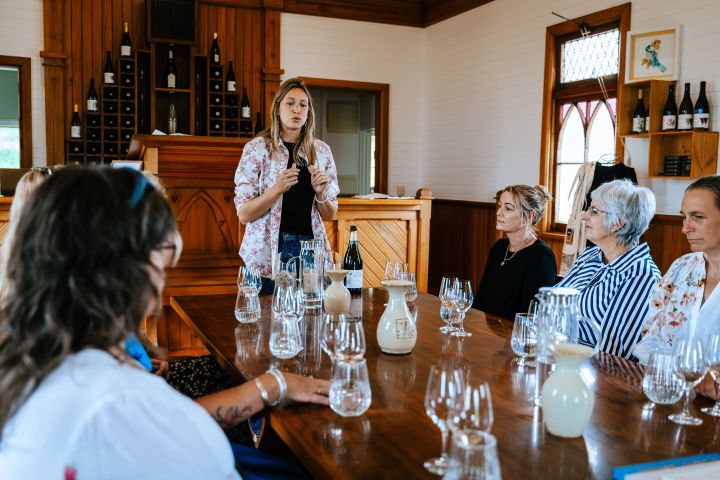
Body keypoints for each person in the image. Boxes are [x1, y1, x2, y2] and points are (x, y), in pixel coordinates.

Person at [0, 167, 329, 478]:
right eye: (160, 259)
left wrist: (273, 384)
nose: (160, 281)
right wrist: (274, 385)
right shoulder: (114, 400)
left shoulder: (34, 355)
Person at [234, 77, 339, 290]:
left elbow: (330, 214)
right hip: (266, 252)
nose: (296, 110)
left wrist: (321, 194)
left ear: (308, 112)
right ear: (278, 108)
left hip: (310, 249)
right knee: (264, 320)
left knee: (311, 319)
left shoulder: (321, 152)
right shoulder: (256, 149)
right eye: (290, 103)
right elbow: (244, 214)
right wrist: (277, 189)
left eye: (303, 105)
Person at [633, 176, 720, 400]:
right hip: (669, 396)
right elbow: (650, 337)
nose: (685, 228)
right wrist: (662, 379)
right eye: (684, 217)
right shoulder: (682, 268)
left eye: (698, 217)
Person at [556, 179, 660, 359]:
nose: (584, 215)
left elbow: (614, 355)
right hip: (558, 356)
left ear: (617, 223)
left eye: (594, 211)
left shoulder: (640, 276)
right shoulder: (591, 255)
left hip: (593, 374)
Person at [472, 185, 557, 319]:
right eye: (500, 205)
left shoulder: (541, 257)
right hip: (487, 330)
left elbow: (530, 316)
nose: (499, 212)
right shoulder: (499, 247)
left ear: (530, 215)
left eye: (508, 208)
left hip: (516, 335)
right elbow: (480, 300)